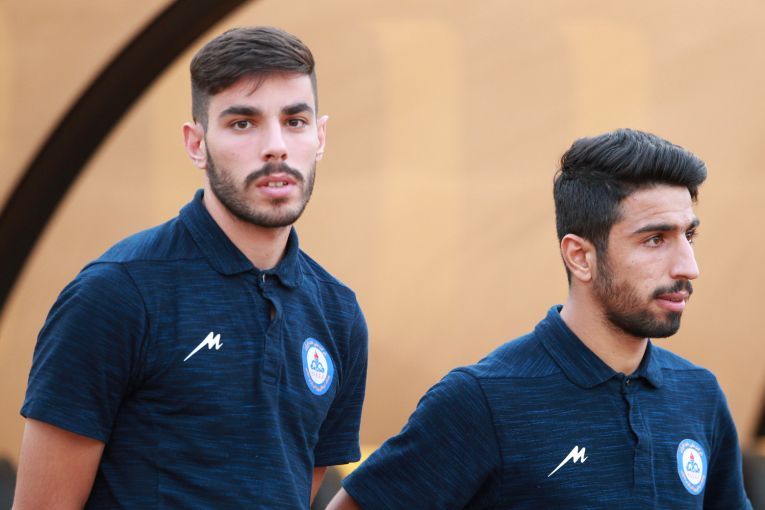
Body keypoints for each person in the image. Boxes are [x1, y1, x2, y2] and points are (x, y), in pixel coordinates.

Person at [14, 26, 368, 509]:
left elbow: (292, 491)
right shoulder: (116, 294)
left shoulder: (339, 315)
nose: (276, 146)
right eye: (242, 123)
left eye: (295, 121)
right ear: (196, 143)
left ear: (319, 136)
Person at [328, 129, 752, 509]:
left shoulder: (699, 395)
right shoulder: (482, 400)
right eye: (656, 239)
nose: (688, 267)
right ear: (580, 257)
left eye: (689, 235)